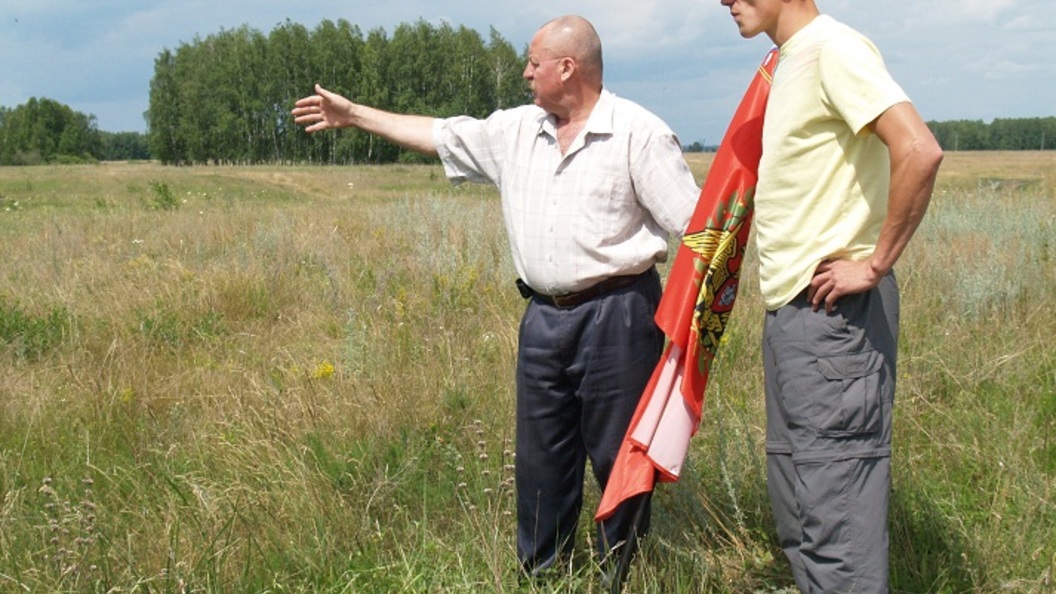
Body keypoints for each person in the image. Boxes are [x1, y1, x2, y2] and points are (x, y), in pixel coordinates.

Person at [292, 14, 699, 579]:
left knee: (621, 459)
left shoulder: (639, 133)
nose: (526, 73)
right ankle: (542, 577)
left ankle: (624, 577)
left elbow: (699, 229)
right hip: (542, 319)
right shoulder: (515, 130)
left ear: (567, 67)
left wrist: (688, 331)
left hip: (620, 317)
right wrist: (354, 116)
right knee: (541, 462)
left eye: (534, 63)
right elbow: (437, 133)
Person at [717, 0, 943, 591]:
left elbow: (919, 149)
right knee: (802, 508)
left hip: (834, 320)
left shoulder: (833, 49)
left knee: (837, 518)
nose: (720, 0)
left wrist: (874, 263)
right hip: (796, 314)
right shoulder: (789, 60)